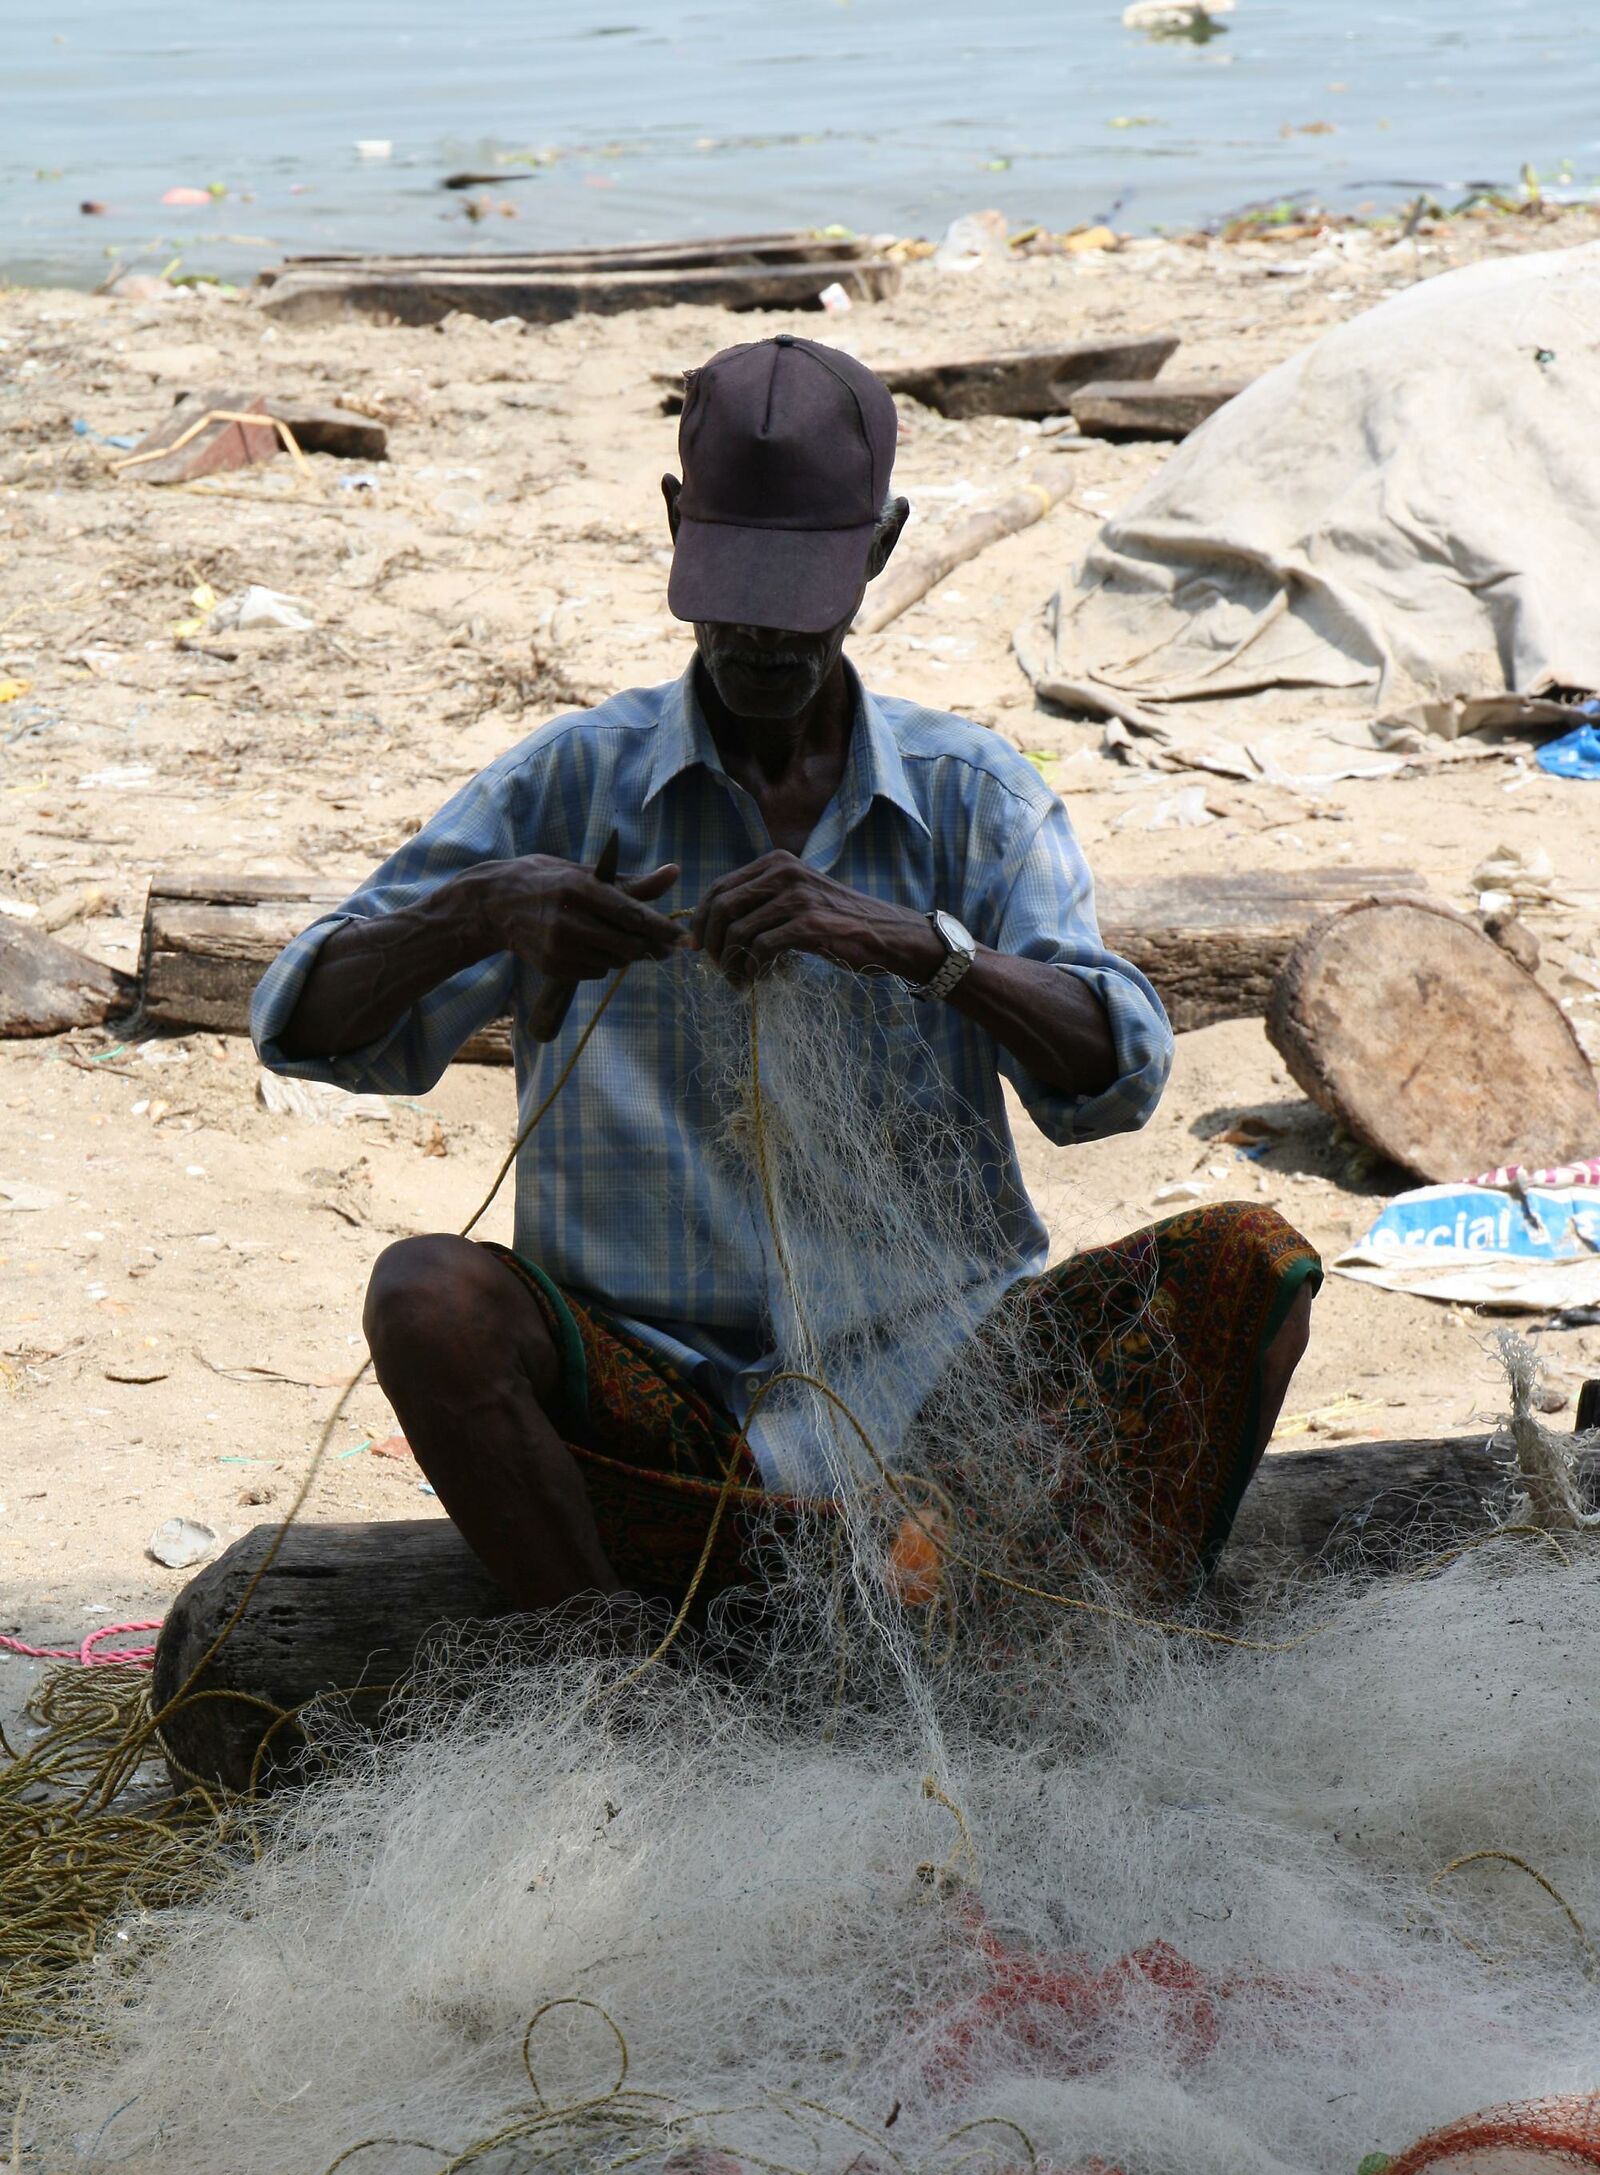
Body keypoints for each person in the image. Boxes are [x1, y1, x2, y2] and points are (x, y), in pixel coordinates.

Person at [253, 335, 1317, 1623]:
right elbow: (301, 1024)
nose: (759, 631)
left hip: (943, 1401)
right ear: (672, 523)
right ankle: (606, 1673)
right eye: (731, 584)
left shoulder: (970, 799)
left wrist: (922, 950)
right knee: (427, 1298)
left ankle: (1100, 1655)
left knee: (1250, 1261)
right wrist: (476, 912)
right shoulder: (572, 787)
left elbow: (1117, 1074)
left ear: (881, 545)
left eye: (799, 590)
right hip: (658, 1411)